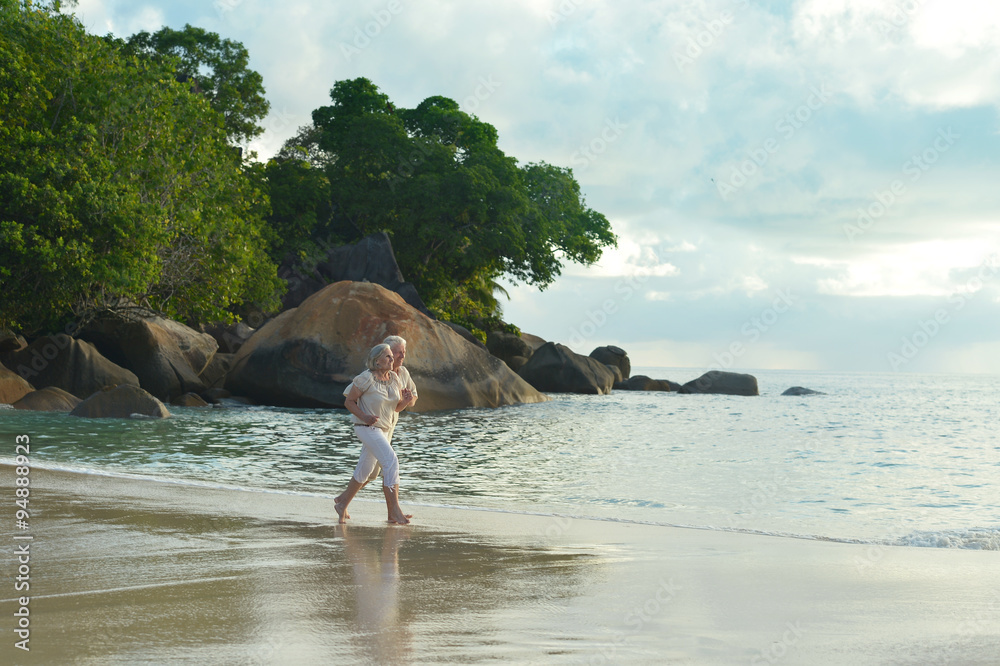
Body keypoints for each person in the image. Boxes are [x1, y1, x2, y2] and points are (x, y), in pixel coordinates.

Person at [335, 343, 415, 525]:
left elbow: (394, 408)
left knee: (365, 470)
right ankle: (395, 510)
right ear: (377, 361)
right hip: (367, 427)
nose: (392, 359)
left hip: (384, 429)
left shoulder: (394, 378)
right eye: (387, 356)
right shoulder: (366, 378)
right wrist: (364, 416)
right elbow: (349, 401)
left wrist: (406, 401)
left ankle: (342, 504)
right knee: (391, 461)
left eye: (391, 356)